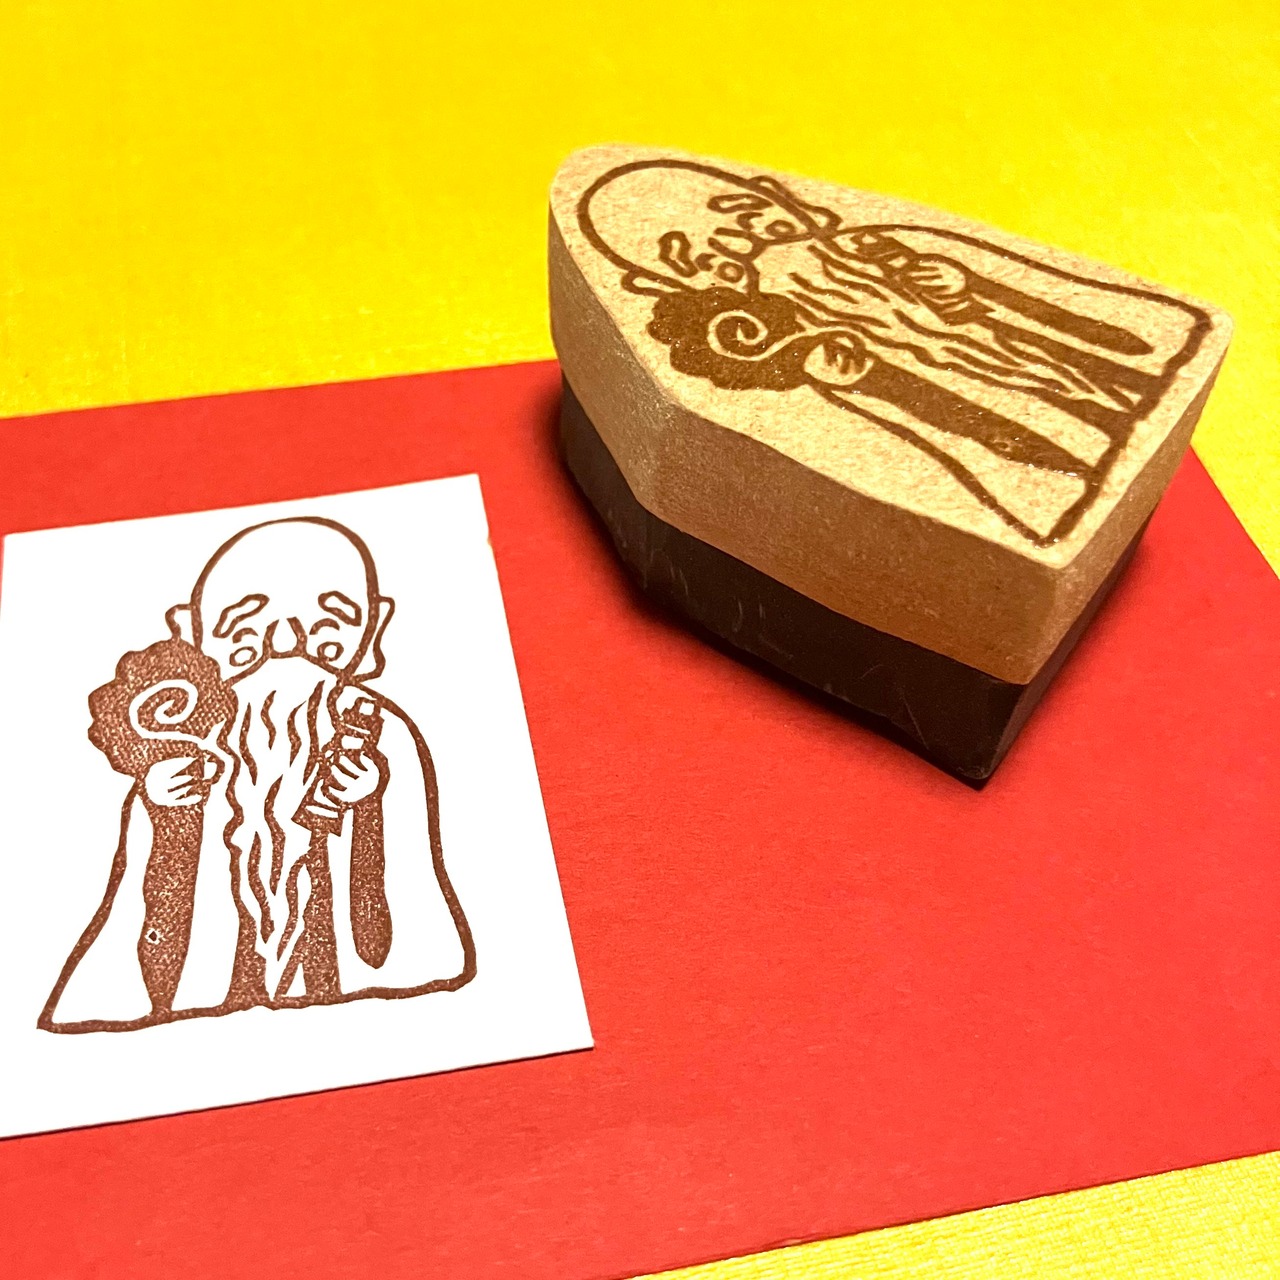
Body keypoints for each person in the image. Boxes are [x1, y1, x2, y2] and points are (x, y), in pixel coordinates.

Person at [576, 159, 1207, 545]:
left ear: (776, 198)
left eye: (742, 216)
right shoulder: (798, 341)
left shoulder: (892, 242)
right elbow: (919, 430)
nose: (742, 244)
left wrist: (969, 287)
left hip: (1072, 372)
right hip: (1010, 434)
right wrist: (865, 378)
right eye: (698, 256)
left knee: (1093, 396)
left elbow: (1074, 310)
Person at [41, 517, 474, 1033]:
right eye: (246, 627)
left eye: (327, 624)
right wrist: (161, 802)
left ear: (373, 628)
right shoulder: (193, 732)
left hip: (337, 970)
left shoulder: (382, 730)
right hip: (217, 978)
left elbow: (408, 860)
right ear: (191, 633)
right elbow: (154, 872)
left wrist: (370, 801)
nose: (286, 643)